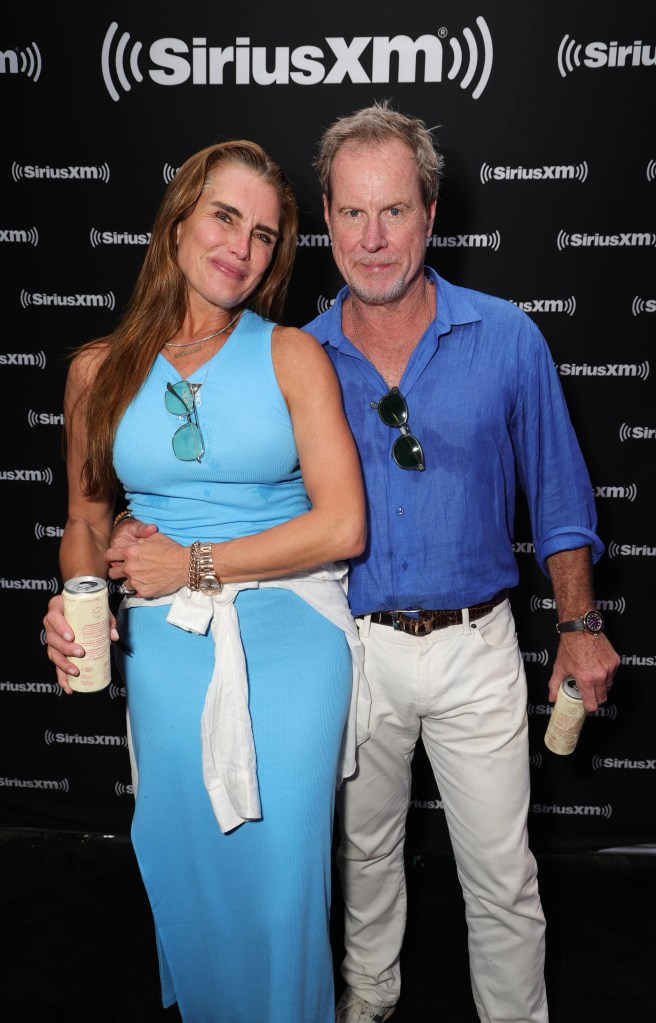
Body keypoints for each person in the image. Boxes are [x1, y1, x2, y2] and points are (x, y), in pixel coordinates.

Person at [302, 103, 620, 1023]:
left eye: (393, 211)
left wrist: (580, 624)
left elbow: (559, 496)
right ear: (325, 217)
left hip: (480, 648)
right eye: (353, 214)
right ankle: (368, 996)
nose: (372, 239)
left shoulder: (509, 338)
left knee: (501, 871)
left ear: (431, 213)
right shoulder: (300, 360)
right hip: (354, 649)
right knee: (362, 860)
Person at [43, 139, 368, 1023]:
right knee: (184, 866)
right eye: (226, 217)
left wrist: (192, 561)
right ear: (179, 219)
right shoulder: (95, 371)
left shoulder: (293, 354)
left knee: (280, 884)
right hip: (165, 644)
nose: (243, 247)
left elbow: (342, 525)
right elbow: (86, 522)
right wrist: (74, 598)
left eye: (265, 235)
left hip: (291, 636)